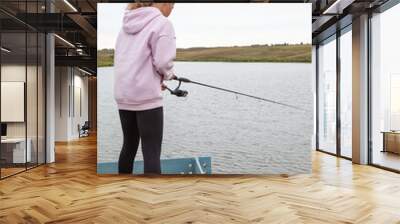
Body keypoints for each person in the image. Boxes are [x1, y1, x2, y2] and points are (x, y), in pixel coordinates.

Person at [113, 2, 176, 174]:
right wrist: (168, 75)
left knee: (128, 146)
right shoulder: (163, 24)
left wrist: (156, 80)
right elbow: (163, 62)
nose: (173, 8)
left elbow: (130, 61)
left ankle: (122, 191)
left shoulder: (125, 26)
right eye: (173, 3)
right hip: (147, 99)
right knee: (151, 151)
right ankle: (152, 195)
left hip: (124, 96)